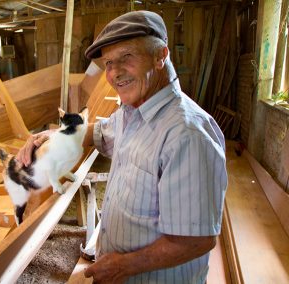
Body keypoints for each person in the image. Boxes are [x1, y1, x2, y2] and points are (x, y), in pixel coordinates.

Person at [17, 10, 227, 284]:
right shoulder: (132, 113)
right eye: (108, 63)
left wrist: (124, 265)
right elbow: (96, 132)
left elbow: (196, 240)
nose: (114, 73)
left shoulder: (188, 135)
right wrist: (53, 136)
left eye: (127, 57)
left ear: (161, 55)